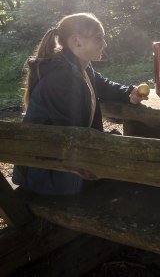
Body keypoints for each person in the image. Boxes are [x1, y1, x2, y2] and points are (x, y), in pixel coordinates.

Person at [12, 13, 148, 195]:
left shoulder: (80, 66)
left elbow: (103, 85)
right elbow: (72, 137)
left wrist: (128, 92)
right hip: (51, 173)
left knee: (137, 163)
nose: (105, 44)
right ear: (76, 41)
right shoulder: (60, 79)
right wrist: (112, 142)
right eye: (99, 38)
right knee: (138, 170)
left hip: (67, 164)